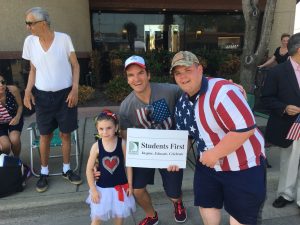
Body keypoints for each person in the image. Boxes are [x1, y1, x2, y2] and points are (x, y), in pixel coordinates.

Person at [171, 51, 266, 225]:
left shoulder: (222, 90)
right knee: (207, 208)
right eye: (178, 73)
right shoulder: (182, 103)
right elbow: (186, 136)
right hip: (208, 166)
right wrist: (174, 156)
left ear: (200, 69)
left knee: (242, 219)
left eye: (187, 70)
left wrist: (215, 153)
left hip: (244, 165)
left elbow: (245, 129)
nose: (183, 77)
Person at [119, 55, 187, 225]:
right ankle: (152, 215)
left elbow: (193, 88)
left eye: (140, 73)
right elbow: (125, 134)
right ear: (127, 79)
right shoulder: (126, 106)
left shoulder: (169, 91)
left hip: (169, 149)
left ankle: (178, 203)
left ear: (148, 75)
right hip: (145, 152)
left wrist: (225, 84)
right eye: (131, 75)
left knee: (173, 193)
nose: (136, 79)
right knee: (137, 190)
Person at [22, 7, 82, 193]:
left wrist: (75, 89)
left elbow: (76, 65)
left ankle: (66, 169)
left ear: (43, 23)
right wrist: (27, 91)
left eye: (30, 23)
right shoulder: (30, 42)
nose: (28, 27)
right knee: (45, 135)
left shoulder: (64, 39)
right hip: (42, 96)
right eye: (27, 23)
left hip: (65, 95)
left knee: (65, 134)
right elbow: (33, 70)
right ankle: (44, 172)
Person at [261, 32, 300, 209]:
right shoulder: (277, 71)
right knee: (290, 161)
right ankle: (286, 194)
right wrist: (284, 107)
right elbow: (266, 99)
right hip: (289, 125)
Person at [86, 110, 136, 225]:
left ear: (116, 127)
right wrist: (93, 189)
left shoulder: (122, 143)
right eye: (101, 129)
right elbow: (89, 169)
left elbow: (128, 165)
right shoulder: (96, 146)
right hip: (102, 189)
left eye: (109, 128)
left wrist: (130, 184)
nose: (105, 132)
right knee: (97, 218)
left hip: (120, 188)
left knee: (119, 217)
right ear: (97, 129)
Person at [0, 73, 23, 157]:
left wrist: (17, 117)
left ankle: (17, 160)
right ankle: (6, 163)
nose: (1, 85)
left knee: (15, 139)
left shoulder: (13, 90)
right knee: (5, 146)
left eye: (3, 82)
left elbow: (20, 106)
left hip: (14, 118)